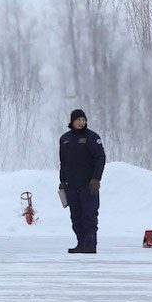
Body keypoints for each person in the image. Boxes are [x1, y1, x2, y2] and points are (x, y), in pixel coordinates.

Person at [59, 108, 105, 254]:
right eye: (78, 120)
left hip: (88, 185)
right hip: (72, 186)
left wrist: (96, 179)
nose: (81, 122)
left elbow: (100, 158)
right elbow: (63, 162)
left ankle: (90, 245)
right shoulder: (65, 139)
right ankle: (81, 244)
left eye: (83, 120)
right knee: (76, 217)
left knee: (89, 216)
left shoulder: (92, 137)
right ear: (72, 121)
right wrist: (63, 181)